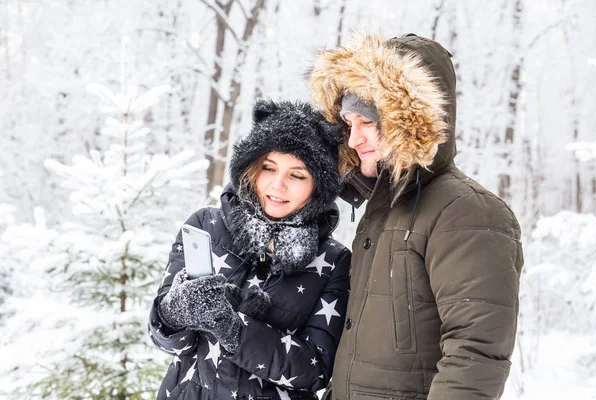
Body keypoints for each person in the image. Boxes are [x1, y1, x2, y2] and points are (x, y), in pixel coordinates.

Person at [307, 33, 524, 400]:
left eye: (368, 123)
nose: (354, 139)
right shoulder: (383, 210)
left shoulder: (467, 212)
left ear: (409, 120)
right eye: (350, 124)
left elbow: (475, 356)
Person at [148, 100, 351, 400]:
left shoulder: (333, 262)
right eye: (269, 167)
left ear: (318, 187)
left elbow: (314, 371)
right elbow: (167, 343)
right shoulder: (206, 226)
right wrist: (173, 313)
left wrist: (236, 331)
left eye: (297, 175)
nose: (278, 185)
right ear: (251, 168)